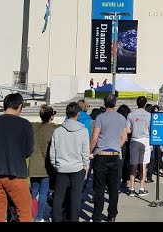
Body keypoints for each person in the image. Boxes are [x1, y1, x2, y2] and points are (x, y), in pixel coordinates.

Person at [89, 94, 127, 223]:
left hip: (101, 155)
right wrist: (116, 146)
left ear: (105, 103)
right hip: (115, 155)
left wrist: (90, 151)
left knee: (99, 188)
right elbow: (124, 138)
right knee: (113, 188)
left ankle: (97, 216)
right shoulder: (122, 118)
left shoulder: (100, 117)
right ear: (115, 103)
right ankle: (112, 215)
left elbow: (95, 137)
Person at [50, 102, 90, 222]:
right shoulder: (83, 131)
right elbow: (85, 152)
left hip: (62, 167)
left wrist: (56, 165)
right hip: (77, 168)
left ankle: (56, 219)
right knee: (75, 198)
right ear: (78, 114)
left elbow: (53, 152)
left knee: (58, 197)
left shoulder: (58, 131)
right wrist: (85, 165)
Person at [0, 93, 34, 222]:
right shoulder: (25, 124)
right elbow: (28, 151)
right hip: (16, 173)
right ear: (19, 106)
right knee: (24, 213)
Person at [28, 105, 57, 222]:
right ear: (51, 116)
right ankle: (39, 217)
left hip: (34, 164)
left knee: (33, 192)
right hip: (45, 165)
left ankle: (31, 214)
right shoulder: (53, 129)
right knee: (43, 192)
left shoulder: (34, 128)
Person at [126, 96, 151, 197]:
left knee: (133, 165)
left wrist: (134, 130)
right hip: (145, 139)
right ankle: (141, 188)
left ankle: (131, 188)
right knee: (143, 165)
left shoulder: (131, 114)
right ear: (145, 104)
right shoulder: (149, 115)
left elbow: (128, 130)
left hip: (134, 139)